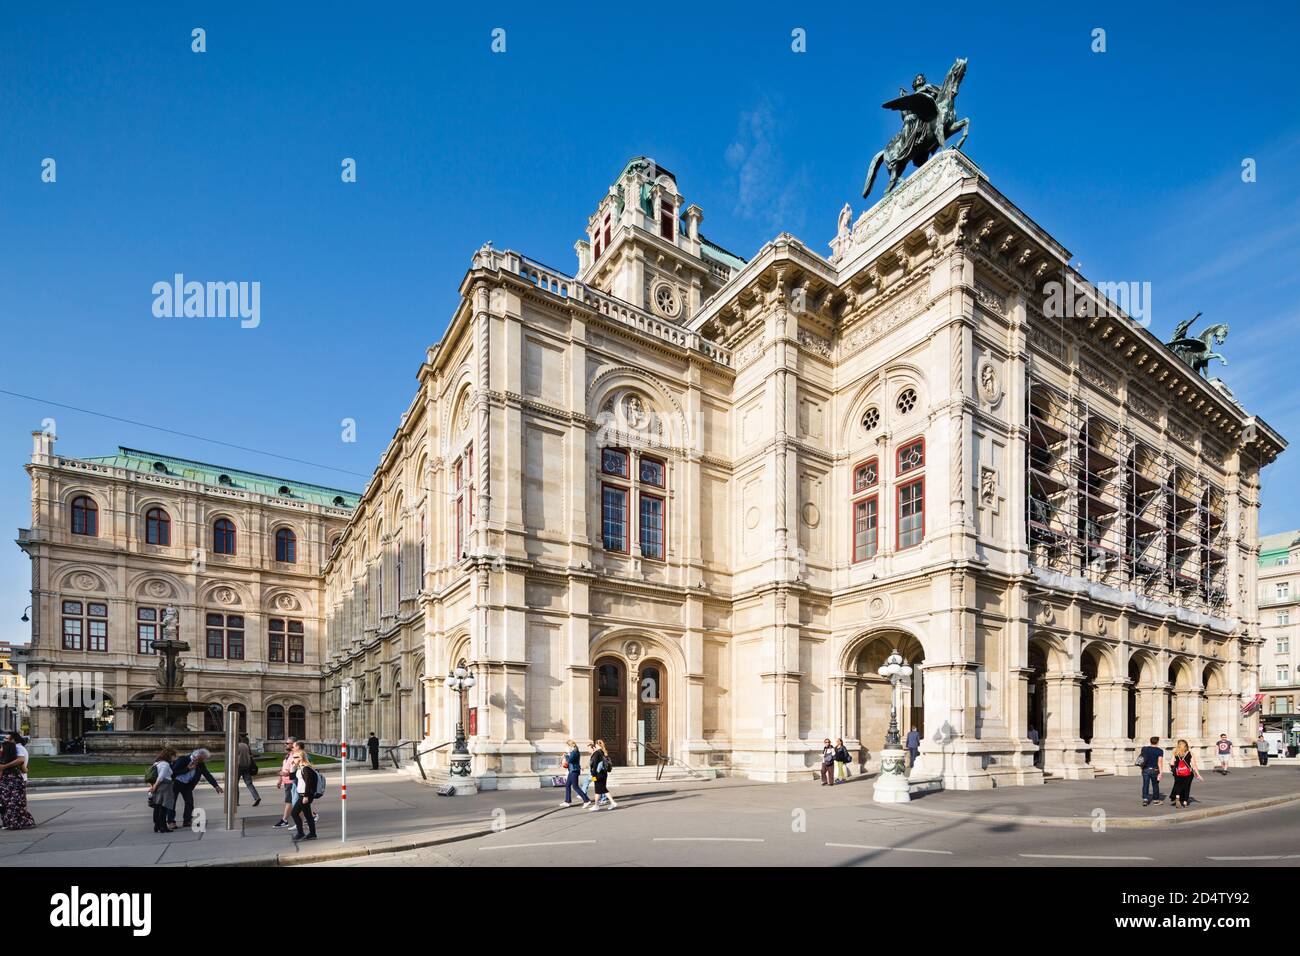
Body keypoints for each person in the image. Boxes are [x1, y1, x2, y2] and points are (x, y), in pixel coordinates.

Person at [169, 747, 222, 828]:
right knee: (172, 802)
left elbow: (207, 775)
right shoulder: (183, 759)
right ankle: (171, 821)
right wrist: (187, 768)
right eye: (202, 759)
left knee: (189, 802)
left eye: (203, 760)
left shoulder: (200, 764)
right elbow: (173, 772)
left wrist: (216, 786)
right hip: (176, 783)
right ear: (197, 756)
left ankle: (187, 821)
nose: (202, 761)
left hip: (187, 785)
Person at [0, 738, 35, 829]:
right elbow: (24, 770)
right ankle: (18, 821)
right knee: (16, 803)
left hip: (6, 784)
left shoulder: (2, 761)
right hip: (17, 782)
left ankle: (8, 822)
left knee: (6, 804)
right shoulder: (15, 760)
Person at [289, 750, 319, 841]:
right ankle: (312, 834)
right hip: (302, 794)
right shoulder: (300, 768)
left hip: (305, 795)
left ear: (301, 758)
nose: (293, 759)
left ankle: (300, 833)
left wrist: (306, 796)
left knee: (294, 813)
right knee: (308, 815)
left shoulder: (306, 768)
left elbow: (308, 784)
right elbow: (291, 778)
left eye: (295, 757)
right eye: (293, 757)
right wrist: (292, 768)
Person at [147, 747, 177, 833]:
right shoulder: (165, 764)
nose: (175, 758)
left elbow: (151, 776)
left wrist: (153, 786)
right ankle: (163, 827)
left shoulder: (156, 763)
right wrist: (155, 786)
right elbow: (161, 777)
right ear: (170, 755)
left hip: (157, 786)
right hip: (165, 787)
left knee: (157, 806)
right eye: (174, 756)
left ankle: (157, 826)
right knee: (164, 807)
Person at [1168, 739, 1203, 809]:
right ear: (1186, 746)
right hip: (1188, 773)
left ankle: (1177, 797)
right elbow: (1194, 765)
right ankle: (1185, 802)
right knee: (1187, 787)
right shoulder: (1190, 753)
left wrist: (1174, 770)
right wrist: (1198, 775)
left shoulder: (1175, 753)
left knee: (1178, 785)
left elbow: (1171, 763)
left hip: (1178, 773)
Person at [587, 739, 617, 811]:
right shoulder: (604, 752)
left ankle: (607, 803)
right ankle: (599, 805)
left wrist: (593, 775)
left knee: (600, 789)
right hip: (604, 774)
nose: (595, 746)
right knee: (601, 789)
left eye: (595, 745)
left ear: (597, 745)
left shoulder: (597, 753)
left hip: (597, 775)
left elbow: (594, 765)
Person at [274, 737, 298, 829]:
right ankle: (311, 816)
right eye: (286, 743)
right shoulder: (288, 755)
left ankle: (284, 820)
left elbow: (295, 770)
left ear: (293, 744)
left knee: (291, 802)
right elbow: (284, 768)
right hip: (287, 782)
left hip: (291, 782)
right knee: (295, 802)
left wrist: (286, 773)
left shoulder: (295, 755)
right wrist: (280, 779)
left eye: (288, 743)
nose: (286, 744)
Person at [560, 738, 589, 807]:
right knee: (567, 785)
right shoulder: (574, 751)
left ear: (570, 745)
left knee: (575, 787)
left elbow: (570, 760)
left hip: (574, 771)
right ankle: (567, 801)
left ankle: (586, 800)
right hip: (572, 770)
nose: (566, 748)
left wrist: (566, 755)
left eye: (567, 746)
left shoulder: (575, 752)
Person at [1137, 736, 1164, 806]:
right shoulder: (1160, 751)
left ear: (1150, 741)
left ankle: (1145, 799)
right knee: (1155, 785)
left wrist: (1141, 767)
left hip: (1145, 769)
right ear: (1157, 742)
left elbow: (1142, 758)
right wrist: (1161, 772)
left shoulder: (1144, 749)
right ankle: (1156, 800)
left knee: (1145, 784)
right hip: (1155, 770)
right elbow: (1159, 762)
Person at [235, 733, 261, 806]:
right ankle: (256, 797)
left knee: (235, 784)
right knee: (249, 783)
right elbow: (250, 755)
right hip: (247, 765)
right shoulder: (246, 745)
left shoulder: (235, 746)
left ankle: (236, 801)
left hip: (238, 766)